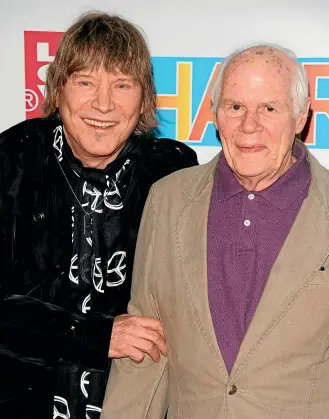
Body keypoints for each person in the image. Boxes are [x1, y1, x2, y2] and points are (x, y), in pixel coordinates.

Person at [101, 43, 329, 419]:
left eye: (269, 108)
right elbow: (145, 348)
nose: (248, 125)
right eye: (235, 107)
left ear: (301, 115)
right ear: (215, 113)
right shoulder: (168, 200)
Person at [0, 11, 198, 419]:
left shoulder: (174, 173)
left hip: (135, 403)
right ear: (58, 89)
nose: (103, 104)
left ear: (143, 98)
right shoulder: (11, 161)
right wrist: (95, 335)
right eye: (85, 82)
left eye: (122, 84)